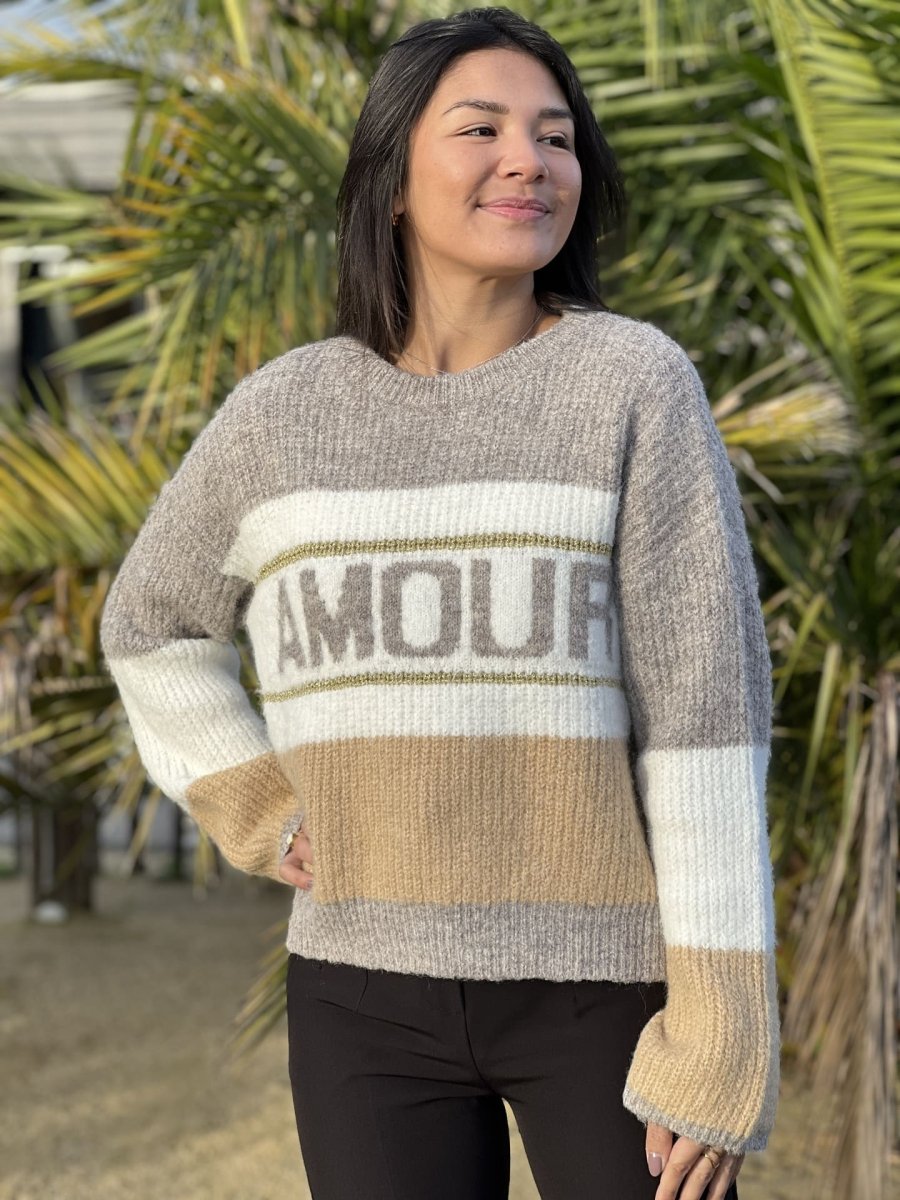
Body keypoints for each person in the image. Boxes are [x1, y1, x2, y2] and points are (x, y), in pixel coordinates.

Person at [99, 7, 780, 1199]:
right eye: (482, 128)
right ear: (392, 179)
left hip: (605, 993)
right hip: (360, 998)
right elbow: (150, 625)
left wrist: (721, 1032)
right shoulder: (283, 415)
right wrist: (258, 804)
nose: (530, 160)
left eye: (556, 137)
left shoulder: (632, 384)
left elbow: (706, 719)